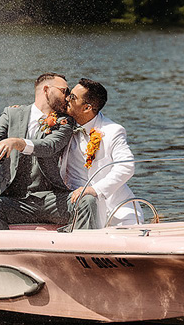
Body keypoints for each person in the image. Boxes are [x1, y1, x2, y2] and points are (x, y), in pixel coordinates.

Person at [0, 73, 99, 231]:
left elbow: (49, 146)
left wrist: (18, 142)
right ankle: (6, 252)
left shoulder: (64, 122)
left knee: (87, 201)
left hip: (51, 200)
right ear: (46, 89)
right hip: (16, 202)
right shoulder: (12, 114)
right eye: (64, 91)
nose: (67, 97)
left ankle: (77, 249)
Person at [60, 78, 141, 227]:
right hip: (75, 207)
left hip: (116, 211)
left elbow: (126, 167)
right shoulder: (62, 125)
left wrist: (95, 190)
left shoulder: (112, 131)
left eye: (72, 97)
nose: (67, 99)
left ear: (86, 108)